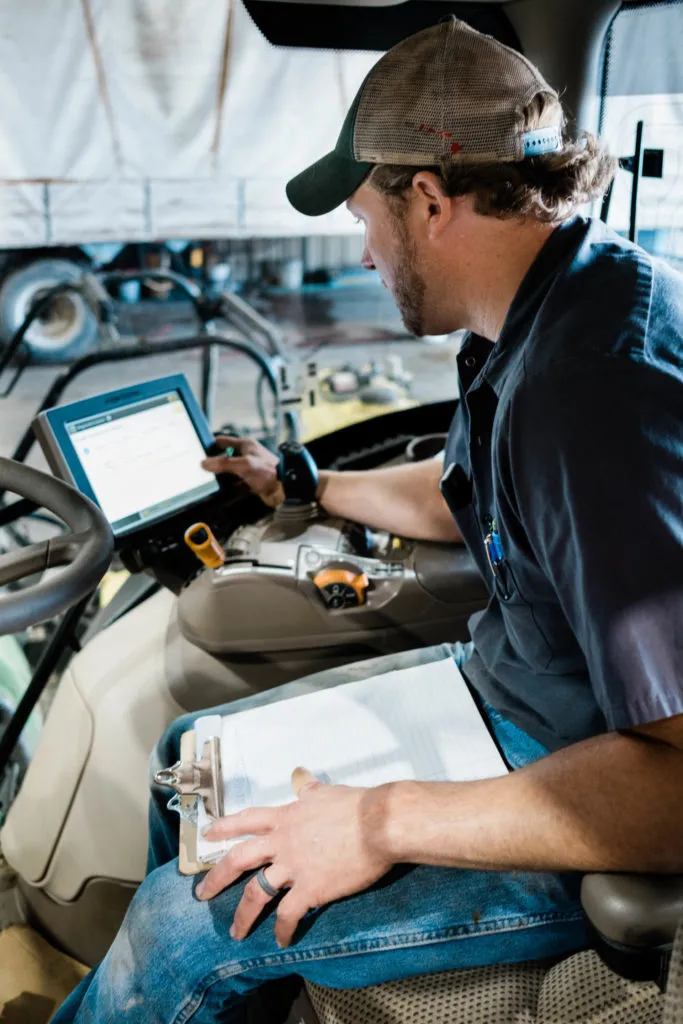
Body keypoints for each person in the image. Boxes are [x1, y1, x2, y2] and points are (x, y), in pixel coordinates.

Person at [53, 17, 683, 1023]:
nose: (362, 248)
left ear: (426, 199)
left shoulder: (589, 391)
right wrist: (299, 481)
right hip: (507, 706)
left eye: (362, 215)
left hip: (572, 792)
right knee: (192, 756)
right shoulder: (541, 308)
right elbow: (460, 498)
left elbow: (673, 779)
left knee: (180, 925)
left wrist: (383, 819)